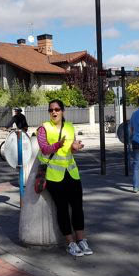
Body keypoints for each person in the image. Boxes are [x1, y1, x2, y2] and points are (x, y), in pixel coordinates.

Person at [37, 99, 92, 257]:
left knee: (77, 207)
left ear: (62, 111)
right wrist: (57, 145)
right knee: (62, 209)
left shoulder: (69, 127)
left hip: (72, 173)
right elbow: (44, 148)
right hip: (54, 177)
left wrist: (75, 147)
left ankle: (81, 240)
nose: (54, 112)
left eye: (57, 109)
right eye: (51, 110)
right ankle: (71, 243)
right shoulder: (44, 128)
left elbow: (71, 150)